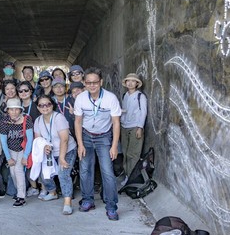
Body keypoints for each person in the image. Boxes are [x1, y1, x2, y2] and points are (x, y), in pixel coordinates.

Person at [74, 67, 122, 221]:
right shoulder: (80, 98)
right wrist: (80, 144)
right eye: (88, 82)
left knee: (107, 172)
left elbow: (116, 122)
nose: (92, 85)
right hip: (86, 136)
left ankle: (111, 206)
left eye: (95, 82)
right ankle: (88, 200)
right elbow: (78, 122)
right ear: (84, 83)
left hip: (104, 138)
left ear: (101, 82)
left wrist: (114, 146)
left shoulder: (110, 98)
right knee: (85, 170)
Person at [34, 95, 77, 214]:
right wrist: (44, 147)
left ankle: (67, 203)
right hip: (51, 152)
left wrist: (62, 158)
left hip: (67, 150)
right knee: (44, 174)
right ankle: (52, 193)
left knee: (63, 174)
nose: (45, 107)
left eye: (47, 104)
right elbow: (39, 140)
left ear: (52, 105)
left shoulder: (59, 118)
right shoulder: (38, 121)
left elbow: (64, 140)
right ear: (38, 108)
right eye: (41, 105)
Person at [0, 98, 33, 207]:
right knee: (13, 172)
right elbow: (3, 141)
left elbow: (30, 138)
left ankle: (21, 196)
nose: (14, 112)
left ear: (20, 110)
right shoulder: (4, 121)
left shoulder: (26, 119)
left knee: (18, 170)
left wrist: (25, 155)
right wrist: (8, 158)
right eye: (11, 109)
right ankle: (20, 190)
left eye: (16, 109)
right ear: (7, 110)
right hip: (11, 149)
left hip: (23, 148)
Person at [120, 73, 147, 181]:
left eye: (133, 81)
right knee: (125, 152)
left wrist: (140, 128)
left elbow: (143, 112)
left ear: (137, 83)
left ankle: (132, 177)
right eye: (128, 81)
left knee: (133, 153)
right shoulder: (125, 95)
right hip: (124, 126)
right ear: (126, 83)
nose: (130, 83)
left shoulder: (140, 96)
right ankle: (127, 175)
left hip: (135, 127)